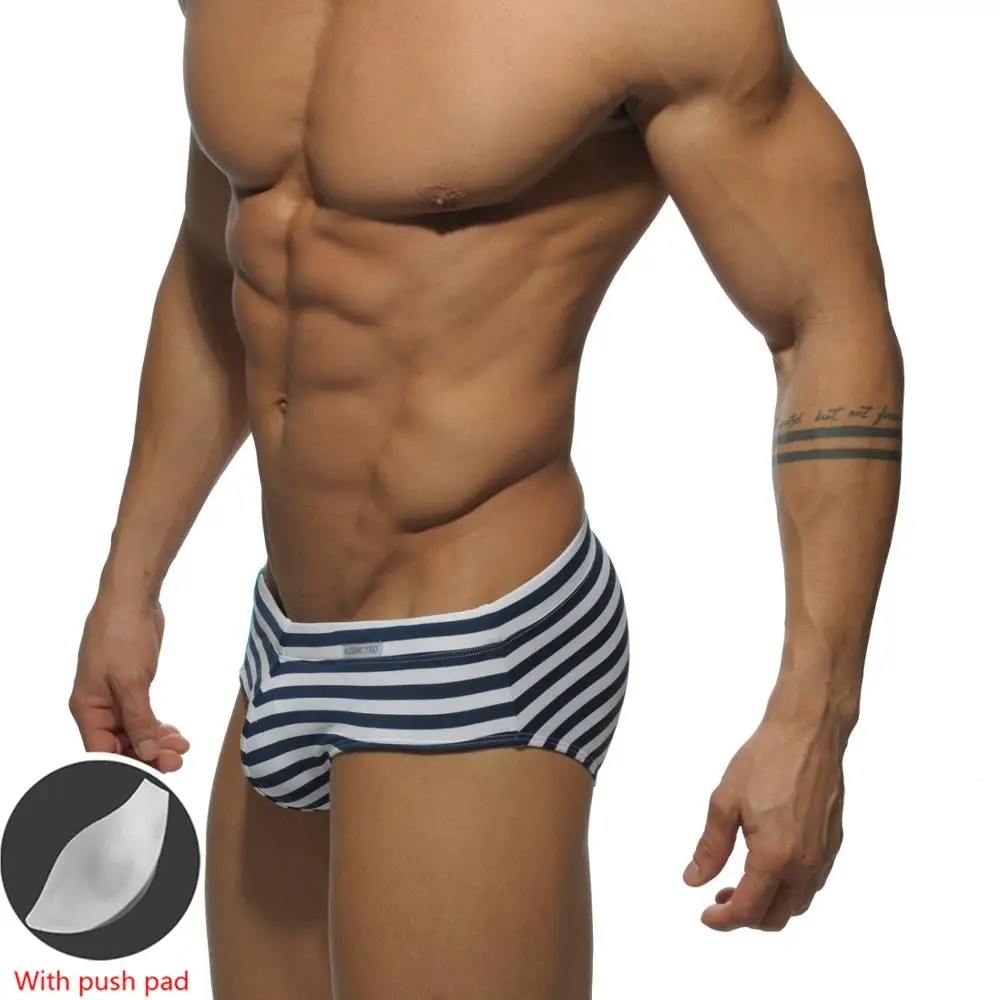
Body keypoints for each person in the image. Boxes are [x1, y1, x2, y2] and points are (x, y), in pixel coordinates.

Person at [69, 0, 903, 997]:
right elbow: (222, 259)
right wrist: (129, 582)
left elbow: (825, 317)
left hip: (479, 632)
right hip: (286, 631)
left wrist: (814, 715)